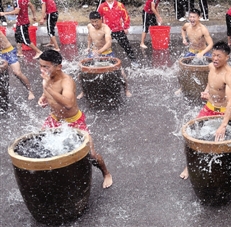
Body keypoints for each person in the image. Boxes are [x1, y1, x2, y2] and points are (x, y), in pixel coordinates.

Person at [179, 41, 231, 179]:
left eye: (219, 56)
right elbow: (210, 83)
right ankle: (188, 166)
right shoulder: (211, 66)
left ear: (226, 57)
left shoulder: (229, 75)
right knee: (193, 136)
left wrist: (223, 125)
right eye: (213, 55)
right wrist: (206, 92)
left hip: (224, 111)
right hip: (209, 108)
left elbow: (230, 102)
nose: (215, 58)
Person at [38, 50, 113, 188]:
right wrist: (43, 98)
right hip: (54, 119)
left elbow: (68, 104)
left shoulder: (67, 81)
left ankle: (106, 173)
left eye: (46, 66)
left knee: (90, 154)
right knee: (42, 146)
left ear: (58, 67)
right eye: (41, 66)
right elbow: (47, 93)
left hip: (73, 121)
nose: (42, 70)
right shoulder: (47, 77)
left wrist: (47, 88)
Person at [77, 11, 132, 99]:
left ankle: (126, 90)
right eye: (92, 21)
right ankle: (83, 91)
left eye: (96, 21)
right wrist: (88, 47)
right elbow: (89, 37)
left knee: (121, 72)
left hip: (107, 53)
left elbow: (108, 43)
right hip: (94, 52)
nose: (94, 24)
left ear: (101, 19)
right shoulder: (89, 26)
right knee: (81, 73)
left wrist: (99, 52)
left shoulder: (106, 28)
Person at [97, 0, 139, 67]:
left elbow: (126, 16)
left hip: (118, 30)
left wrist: (125, 27)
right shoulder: (102, 6)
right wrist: (100, 28)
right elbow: (98, 18)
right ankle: (100, 60)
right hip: (107, 31)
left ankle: (133, 60)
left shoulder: (119, 5)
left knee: (127, 46)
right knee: (101, 45)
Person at [0, 31, 35, 100]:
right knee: (2, 75)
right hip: (1, 54)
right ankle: (4, 95)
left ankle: (30, 91)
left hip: (9, 52)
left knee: (17, 73)